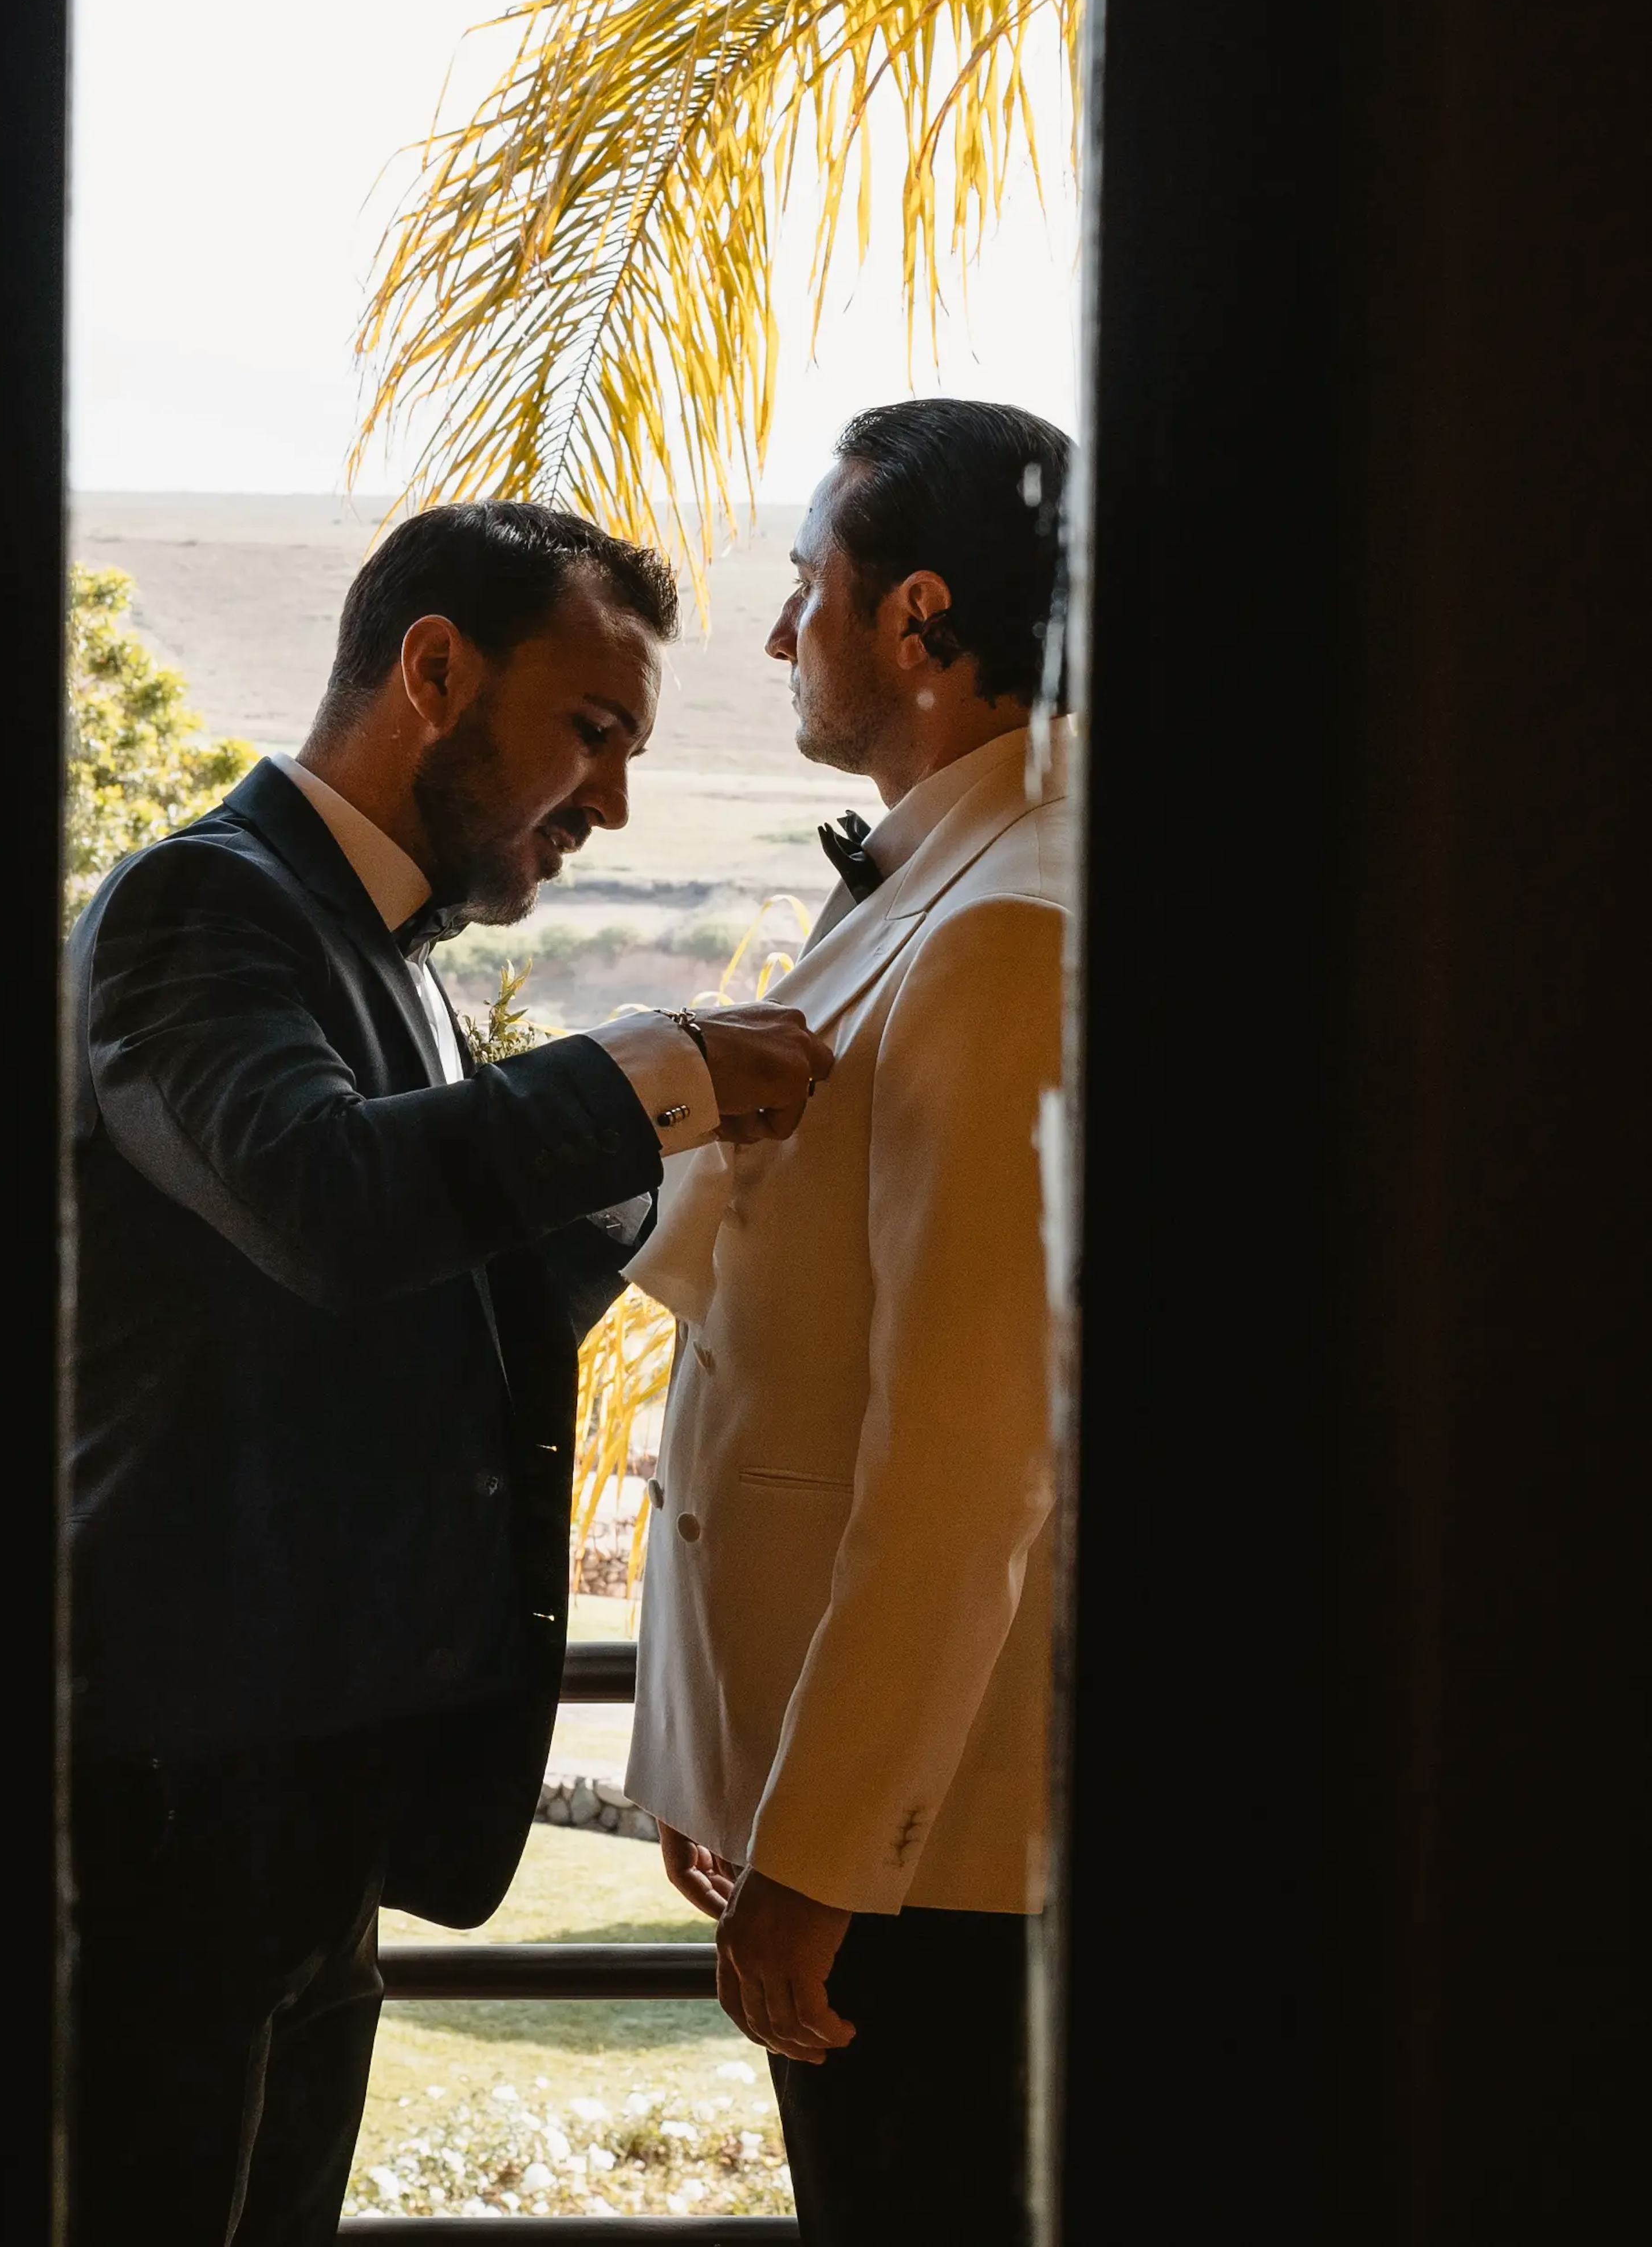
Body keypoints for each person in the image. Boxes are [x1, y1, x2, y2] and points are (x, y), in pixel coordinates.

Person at [66, 498, 833, 2247]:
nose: (616, 801)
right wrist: (657, 1067)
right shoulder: (206, 905)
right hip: (169, 1798)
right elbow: (329, 1205)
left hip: (307, 1802)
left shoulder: (390, 959)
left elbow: (440, 1309)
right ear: (431, 669)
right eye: (593, 729)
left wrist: (696, 1166)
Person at [625, 398, 1074, 2247]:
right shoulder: (953, 873)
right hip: (867, 1820)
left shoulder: (1011, 926)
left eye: (806, 585)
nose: (778, 629)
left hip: (935, 1870)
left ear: (918, 622)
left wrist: (818, 1852)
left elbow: (967, 1450)